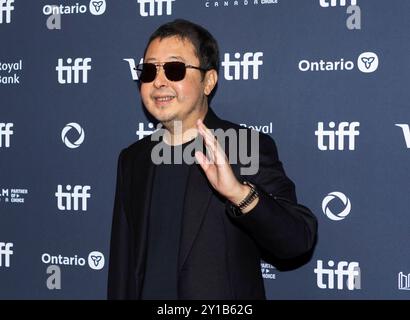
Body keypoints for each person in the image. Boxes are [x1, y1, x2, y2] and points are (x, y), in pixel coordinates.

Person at [107, 19, 317, 300]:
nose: (158, 81)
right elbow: (123, 266)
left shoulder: (244, 146)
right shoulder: (133, 159)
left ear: (209, 81)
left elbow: (296, 241)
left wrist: (239, 194)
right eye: (149, 70)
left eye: (174, 69)